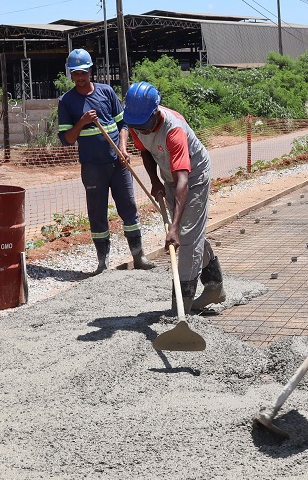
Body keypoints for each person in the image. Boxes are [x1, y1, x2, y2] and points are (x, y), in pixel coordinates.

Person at [122, 81, 227, 312]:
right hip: (169, 175)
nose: (142, 130)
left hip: (193, 175)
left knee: (186, 233)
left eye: (145, 124)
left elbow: (183, 180)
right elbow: (145, 151)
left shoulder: (174, 131)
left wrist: (175, 227)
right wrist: (155, 181)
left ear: (155, 112)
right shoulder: (139, 123)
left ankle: (182, 307)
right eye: (136, 125)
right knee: (190, 234)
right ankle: (214, 287)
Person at [57, 48, 155, 274]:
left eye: (83, 72)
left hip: (118, 163)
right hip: (92, 168)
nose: (80, 77)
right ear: (70, 75)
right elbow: (67, 140)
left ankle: (138, 256)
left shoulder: (106, 92)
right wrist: (81, 122)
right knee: (97, 213)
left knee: (129, 208)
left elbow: (123, 124)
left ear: (91, 70)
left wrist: (122, 148)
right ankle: (102, 263)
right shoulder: (67, 102)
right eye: (75, 74)